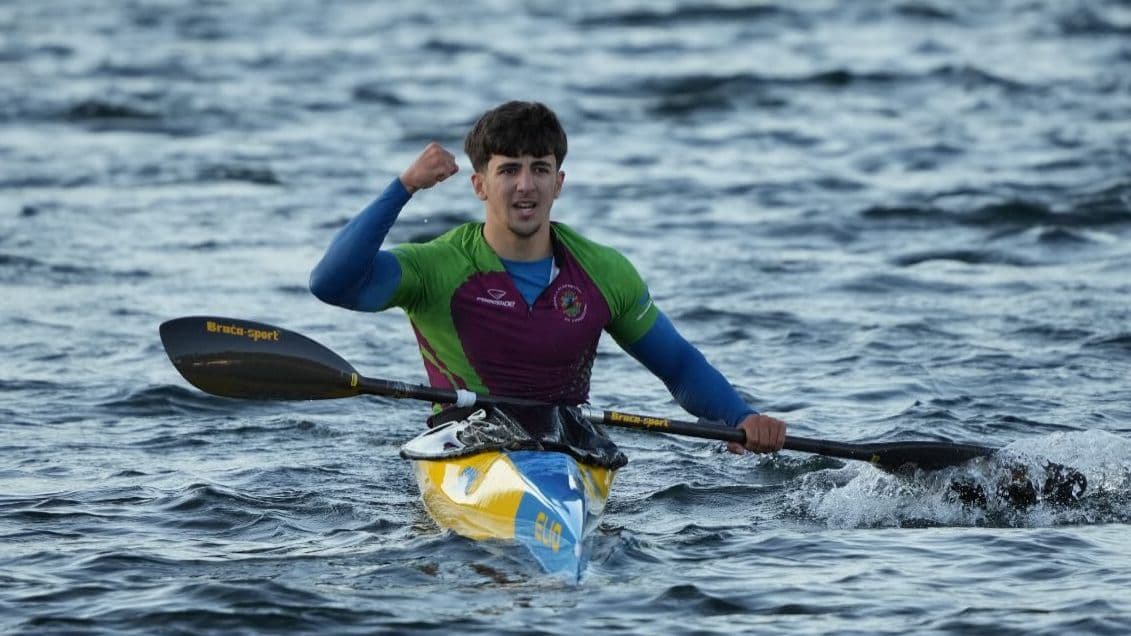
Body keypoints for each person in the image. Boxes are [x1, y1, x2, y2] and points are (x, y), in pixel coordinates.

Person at [309, 101, 786, 454]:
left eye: (540, 169)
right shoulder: (434, 266)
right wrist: (405, 186)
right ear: (479, 184)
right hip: (463, 442)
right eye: (509, 169)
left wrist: (741, 418)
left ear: (559, 182)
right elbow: (331, 283)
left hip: (567, 442)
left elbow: (679, 366)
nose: (525, 185)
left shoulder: (603, 271)